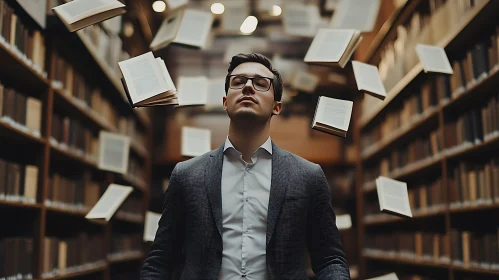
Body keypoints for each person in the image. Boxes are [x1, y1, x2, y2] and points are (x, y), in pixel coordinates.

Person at [140, 53, 351, 280]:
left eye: (261, 84)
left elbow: (330, 260)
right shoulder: (187, 175)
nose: (248, 87)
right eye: (238, 82)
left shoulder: (308, 176)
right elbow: (160, 261)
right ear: (225, 102)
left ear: (277, 107)